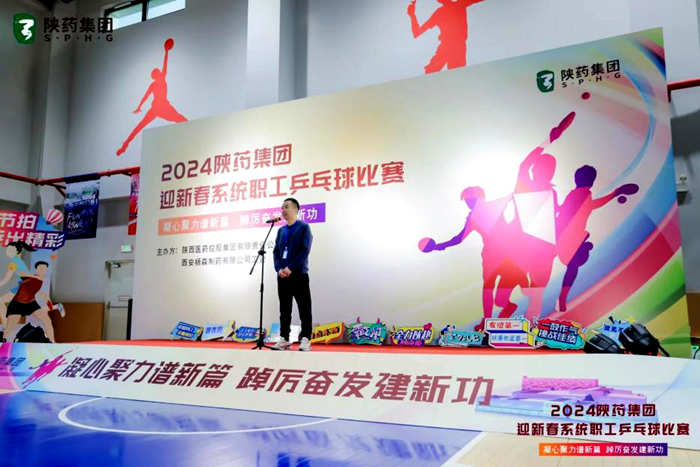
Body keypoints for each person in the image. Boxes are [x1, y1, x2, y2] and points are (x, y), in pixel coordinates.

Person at [555, 165, 638, 312]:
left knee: (574, 264)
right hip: (567, 238)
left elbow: (582, 207)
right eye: (590, 179)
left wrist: (616, 193)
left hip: (570, 237)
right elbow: (593, 205)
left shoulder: (577, 194)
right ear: (591, 181)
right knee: (574, 264)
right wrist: (615, 193)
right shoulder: (581, 195)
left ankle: (562, 296)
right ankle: (562, 296)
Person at [116, 38, 187, 156]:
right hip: (155, 109)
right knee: (139, 126)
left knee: (181, 119)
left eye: (158, 72)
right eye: (156, 73)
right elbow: (145, 97)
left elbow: (165, 63)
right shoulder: (153, 85)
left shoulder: (162, 78)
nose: (158, 73)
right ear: (154, 76)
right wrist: (139, 107)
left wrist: (166, 52)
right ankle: (124, 146)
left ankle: (195, 132)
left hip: (164, 107)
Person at [271, 198, 313, 351]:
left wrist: (291, 267)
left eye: (286, 207)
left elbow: (305, 250)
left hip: (299, 274)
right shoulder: (281, 231)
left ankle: (306, 339)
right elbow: (276, 251)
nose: (283, 210)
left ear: (296, 209)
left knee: (304, 308)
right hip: (283, 276)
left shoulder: (304, 227)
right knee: (284, 309)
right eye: (282, 207)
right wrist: (279, 269)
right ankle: (284, 338)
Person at [407, 0, 485, 74]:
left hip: (453, 47)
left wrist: (412, 15)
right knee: (438, 72)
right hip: (450, 47)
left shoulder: (454, 6)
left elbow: (417, 33)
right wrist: (412, 14)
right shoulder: (458, 5)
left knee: (453, 73)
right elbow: (417, 33)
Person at [3, 261, 62, 343]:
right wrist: (33, 276)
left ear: (46, 270)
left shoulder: (41, 280)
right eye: (40, 268)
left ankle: (52, 342)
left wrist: (46, 299)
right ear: (36, 269)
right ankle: (1, 339)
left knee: (47, 321)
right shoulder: (29, 277)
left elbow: (36, 289)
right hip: (17, 304)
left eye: (44, 268)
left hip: (31, 303)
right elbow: (18, 273)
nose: (42, 269)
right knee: (9, 329)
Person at [0, 241, 36, 331]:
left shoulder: (14, 263)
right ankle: (6, 326)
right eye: (8, 249)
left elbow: (6, 279)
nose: (8, 251)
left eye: (11, 250)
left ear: (16, 252)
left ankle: (6, 326)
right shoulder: (17, 260)